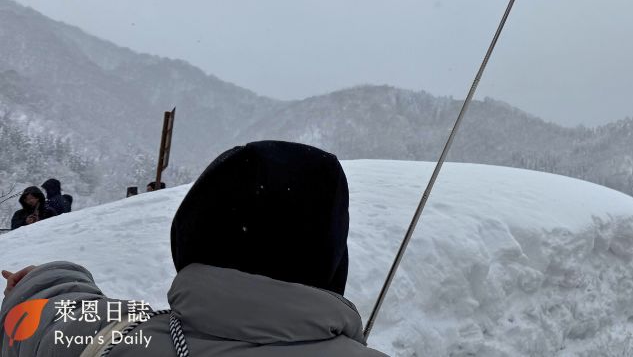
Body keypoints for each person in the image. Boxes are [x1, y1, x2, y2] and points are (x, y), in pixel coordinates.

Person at [1, 141, 388, 357]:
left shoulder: (116, 337)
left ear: (191, 231)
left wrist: (37, 280)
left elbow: (44, 321)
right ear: (331, 255)